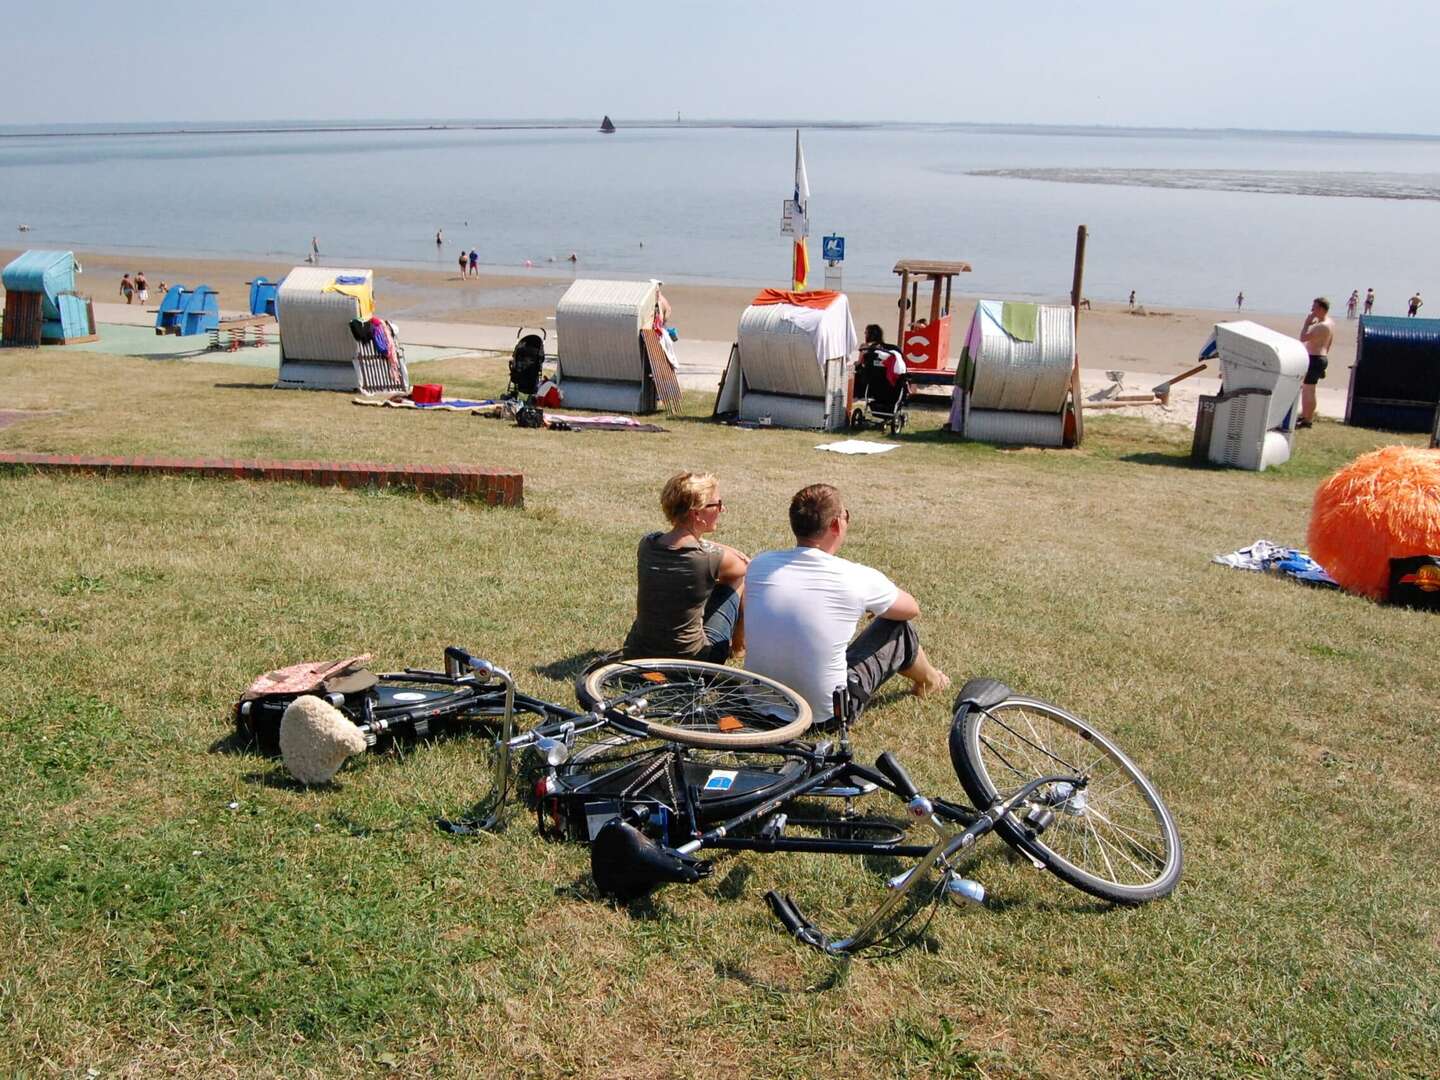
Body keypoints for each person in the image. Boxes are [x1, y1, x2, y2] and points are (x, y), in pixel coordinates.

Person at [743, 484, 949, 722]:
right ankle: (931, 681)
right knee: (898, 629)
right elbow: (910, 609)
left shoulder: (759, 565)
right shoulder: (855, 576)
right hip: (826, 715)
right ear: (836, 524)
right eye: (845, 515)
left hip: (756, 703)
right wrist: (873, 605)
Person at [621, 472, 749, 663]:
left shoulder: (647, 544)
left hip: (638, 655)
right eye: (717, 504)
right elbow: (745, 564)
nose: (722, 510)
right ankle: (739, 647)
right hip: (694, 662)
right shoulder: (708, 557)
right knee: (738, 578)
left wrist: (700, 540)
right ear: (697, 513)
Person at [1297, 296, 1334, 428]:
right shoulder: (1329, 322)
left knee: (1308, 389)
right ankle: (1305, 415)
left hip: (1315, 358)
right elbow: (1330, 342)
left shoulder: (1322, 326)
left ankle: (1307, 419)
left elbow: (1303, 337)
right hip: (1320, 357)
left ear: (1320, 308)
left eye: (1314, 307)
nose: (1312, 310)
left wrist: (1307, 323)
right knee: (1308, 389)